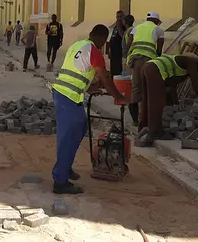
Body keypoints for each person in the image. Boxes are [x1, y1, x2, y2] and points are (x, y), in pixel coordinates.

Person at [51, 24, 128, 194]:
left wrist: (89, 88)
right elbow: (104, 78)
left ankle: (65, 166)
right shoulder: (94, 52)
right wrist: (118, 97)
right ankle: (60, 181)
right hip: (68, 96)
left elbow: (76, 72)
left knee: (79, 128)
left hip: (64, 93)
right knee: (69, 135)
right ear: (102, 38)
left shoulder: (77, 45)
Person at [136, 53, 198, 147]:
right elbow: (195, 81)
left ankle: (143, 126)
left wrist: (176, 105)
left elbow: (172, 87)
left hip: (147, 67)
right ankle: (155, 131)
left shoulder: (178, 67)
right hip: (154, 69)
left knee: (147, 98)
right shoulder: (191, 61)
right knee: (157, 101)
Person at [125, 11, 165, 126]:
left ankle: (135, 120)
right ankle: (146, 118)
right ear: (156, 21)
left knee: (136, 87)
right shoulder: (158, 30)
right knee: (148, 87)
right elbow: (159, 50)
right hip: (149, 61)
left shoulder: (136, 28)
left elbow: (128, 44)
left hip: (136, 60)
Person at [107, 11, 126, 76]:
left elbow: (124, 37)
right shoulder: (115, 27)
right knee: (113, 69)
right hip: (113, 51)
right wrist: (109, 51)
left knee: (118, 69)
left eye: (120, 17)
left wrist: (119, 27)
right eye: (117, 17)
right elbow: (112, 38)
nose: (119, 18)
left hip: (119, 51)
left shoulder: (124, 27)